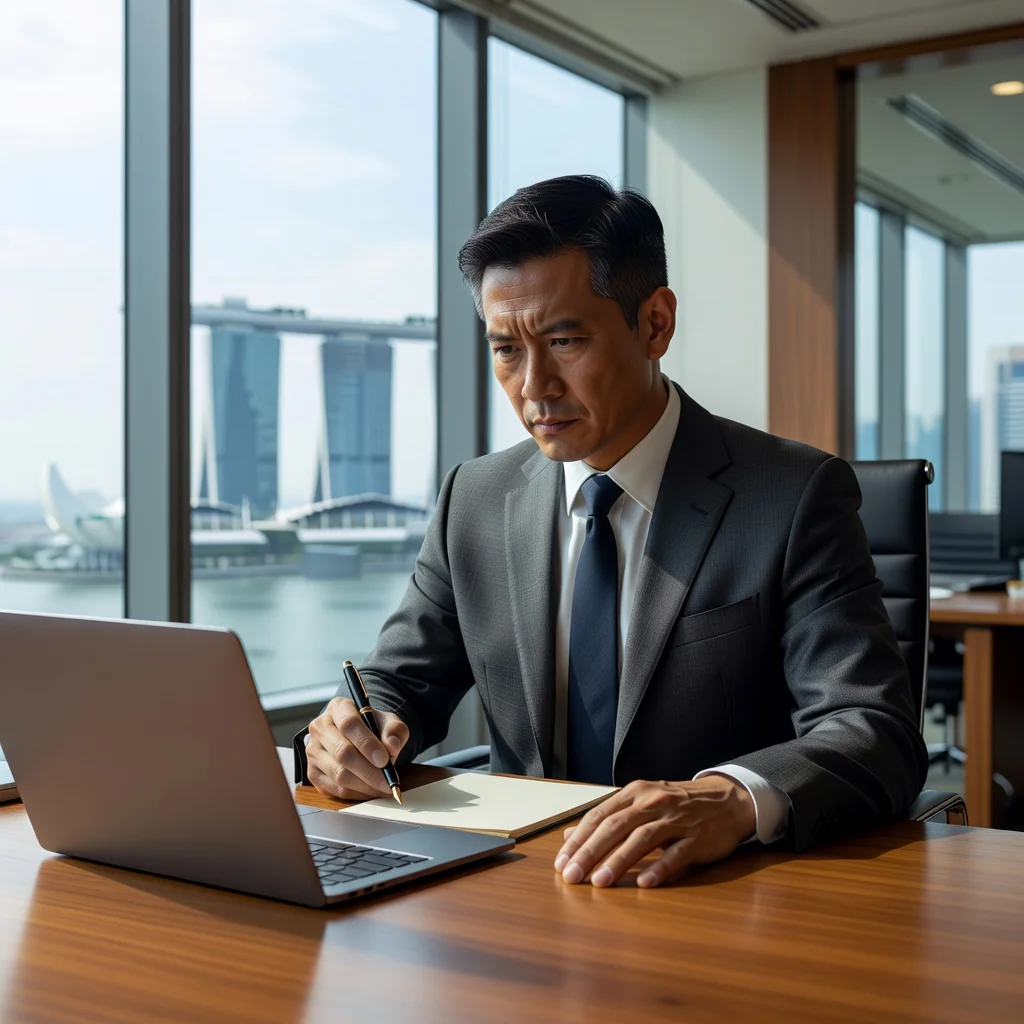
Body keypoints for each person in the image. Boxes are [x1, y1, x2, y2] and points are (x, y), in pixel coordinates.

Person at [298, 174, 927, 889]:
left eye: (564, 340)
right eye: (506, 350)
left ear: (655, 323)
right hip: (521, 888)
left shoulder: (792, 496)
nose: (534, 387)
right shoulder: (473, 498)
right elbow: (397, 682)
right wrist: (352, 732)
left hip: (711, 892)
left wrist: (730, 797)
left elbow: (873, 729)